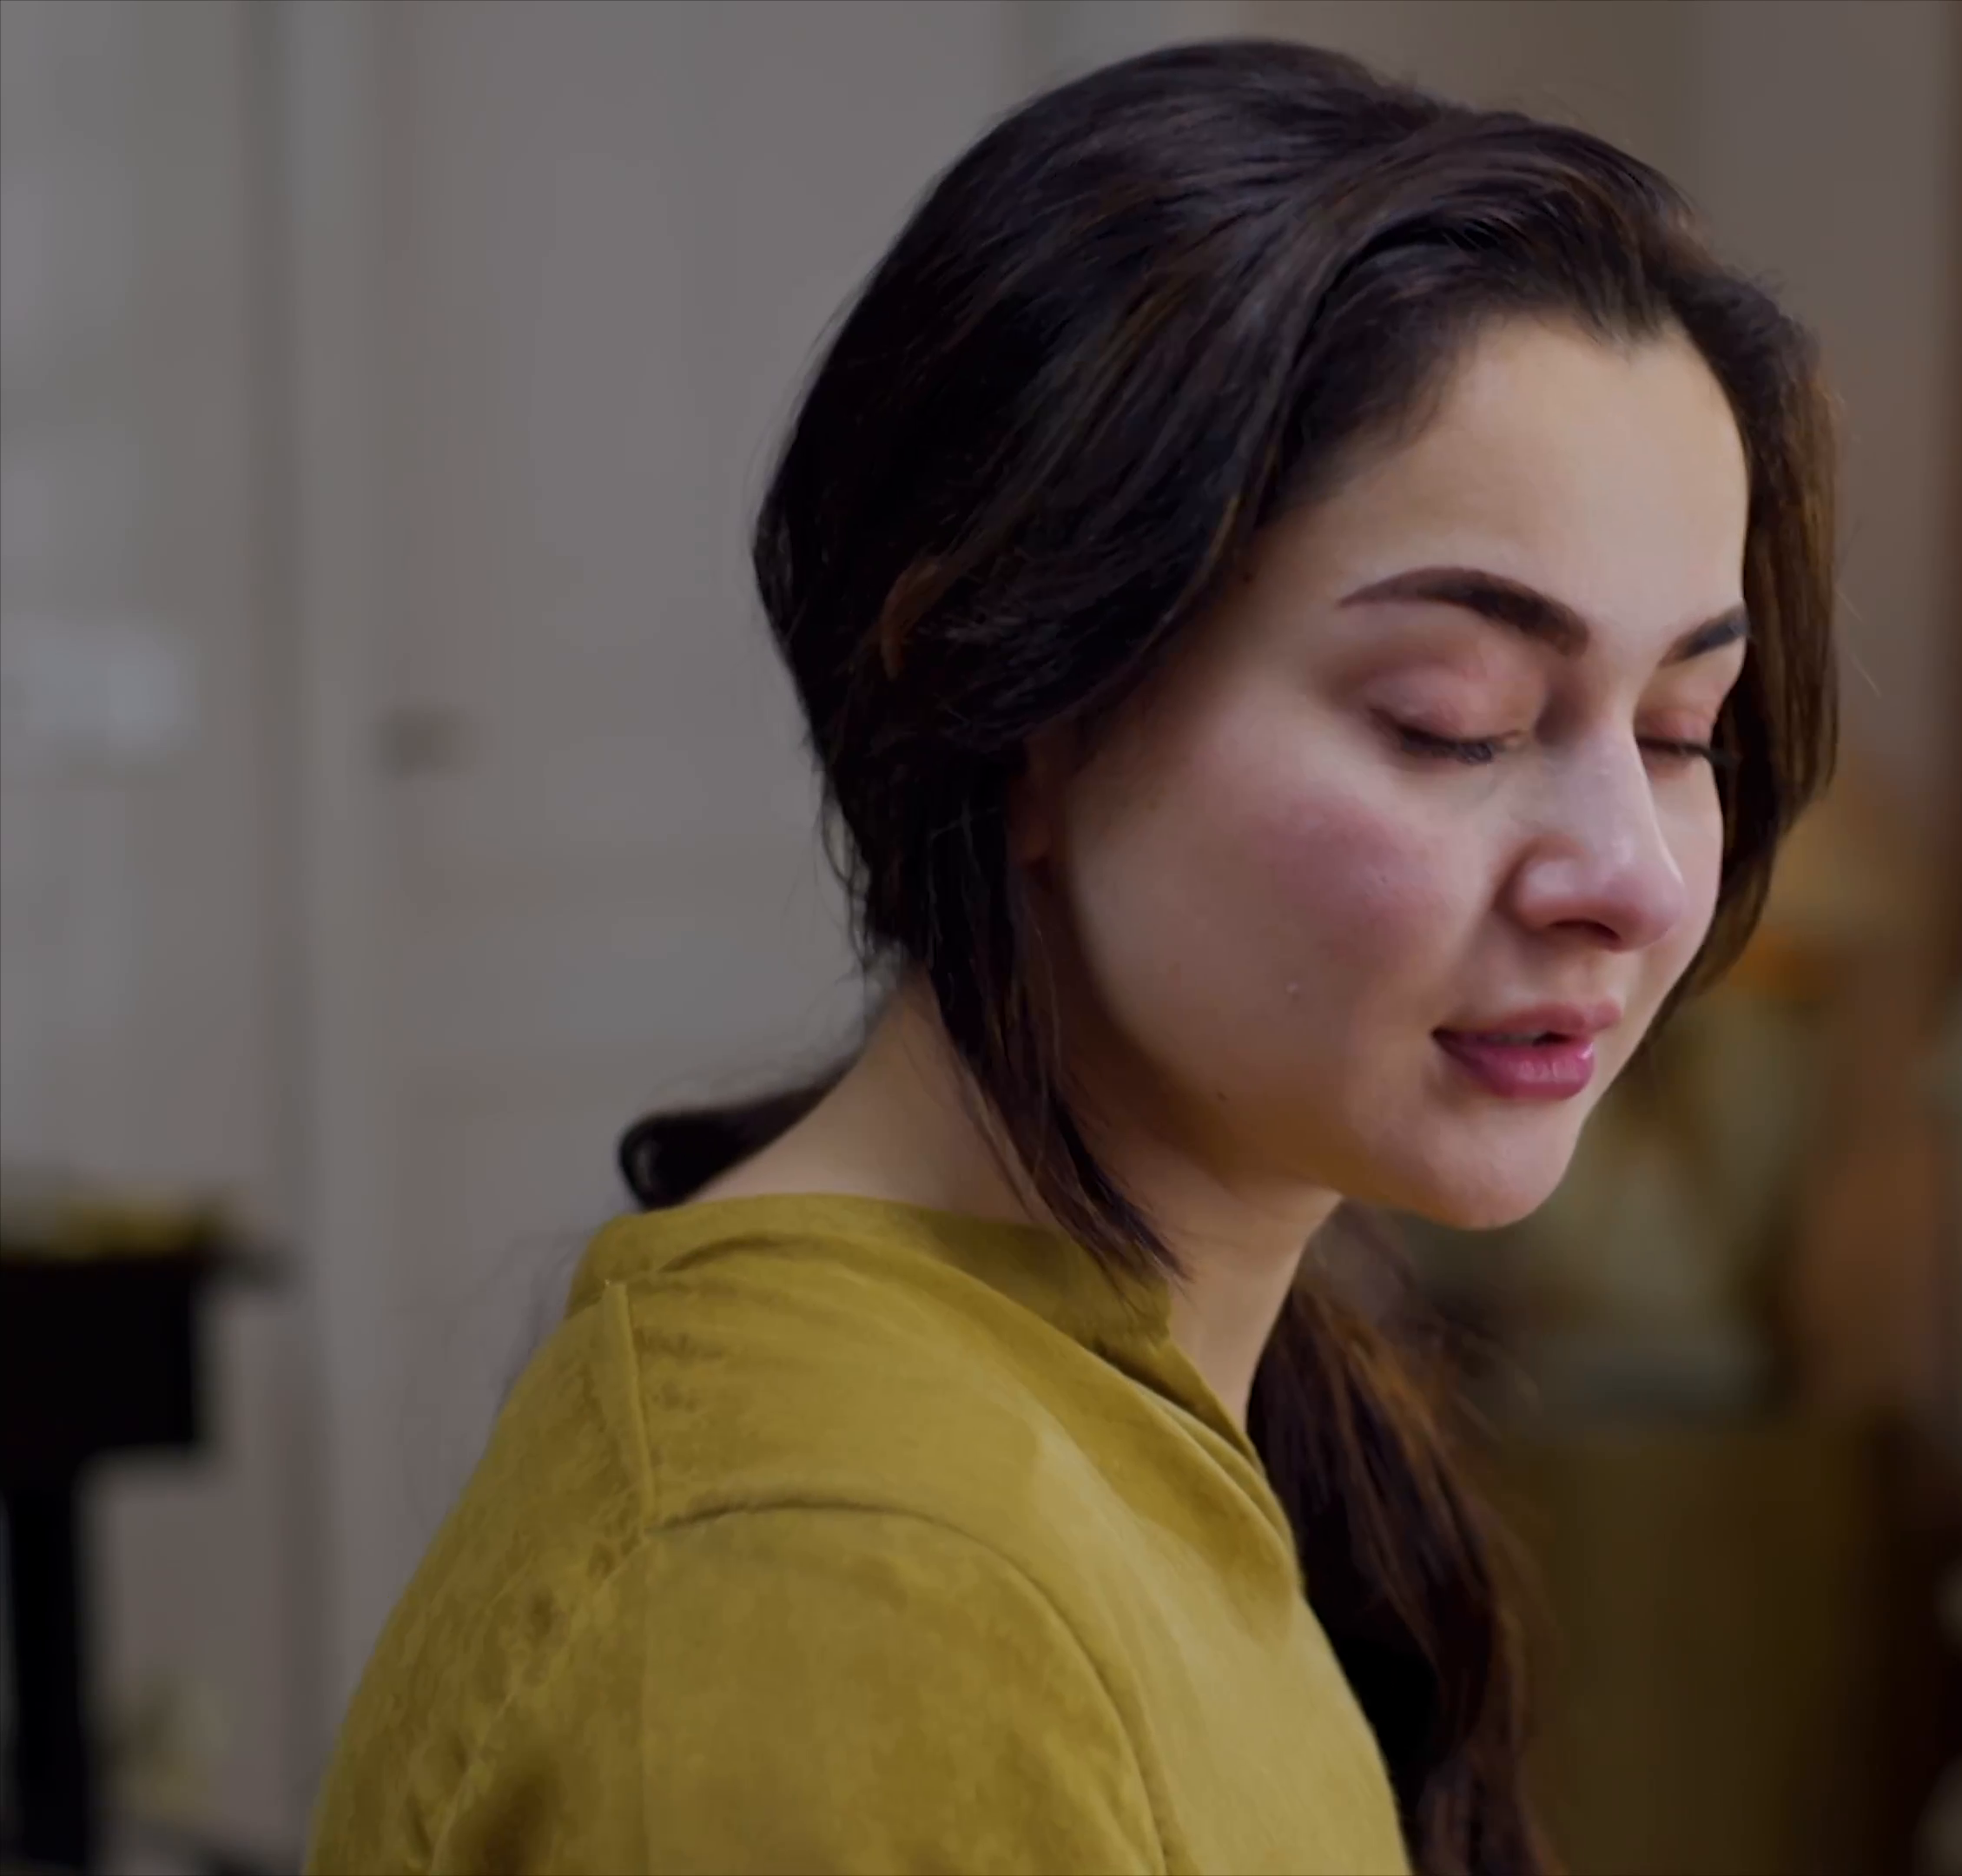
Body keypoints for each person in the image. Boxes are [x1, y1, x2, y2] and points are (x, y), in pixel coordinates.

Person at [305, 38, 1833, 1875]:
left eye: (1679, 729)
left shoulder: (1171, 1412)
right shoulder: (843, 1586)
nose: (1633, 881)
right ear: (1018, 710)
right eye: (1456, 721)